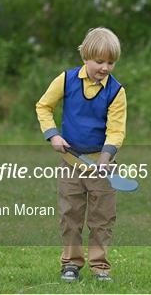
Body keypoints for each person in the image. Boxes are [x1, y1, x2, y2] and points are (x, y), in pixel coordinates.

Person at [35, 27, 127, 283]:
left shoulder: (117, 91)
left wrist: (106, 160)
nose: (105, 67)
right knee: (70, 216)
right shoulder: (66, 80)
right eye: (100, 61)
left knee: (102, 219)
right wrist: (53, 135)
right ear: (85, 57)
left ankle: (100, 268)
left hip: (103, 166)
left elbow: (116, 130)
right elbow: (43, 106)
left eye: (111, 62)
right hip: (70, 163)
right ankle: (71, 265)